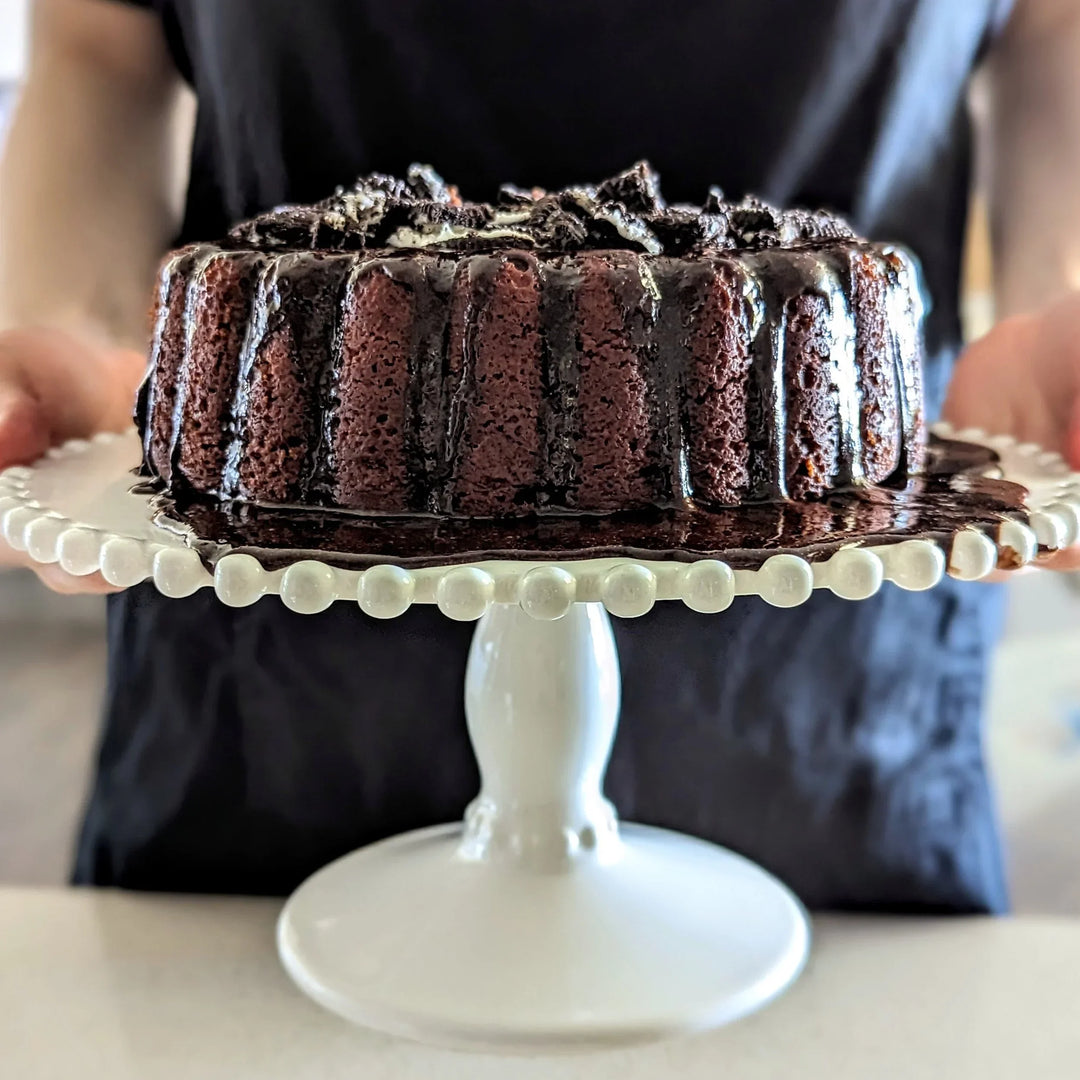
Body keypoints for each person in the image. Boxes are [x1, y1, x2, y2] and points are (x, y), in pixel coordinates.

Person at [1, 0, 1077, 909]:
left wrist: (1059, 307)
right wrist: (86, 352)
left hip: (835, 671)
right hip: (260, 700)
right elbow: (97, 42)